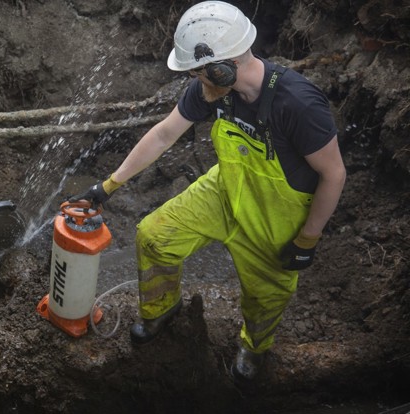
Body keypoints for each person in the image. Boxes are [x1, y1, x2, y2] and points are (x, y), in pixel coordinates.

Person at [73, 1, 346, 383]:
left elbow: (333, 174)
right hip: (225, 189)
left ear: (222, 66)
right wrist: (108, 185)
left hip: (275, 217)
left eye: (200, 70)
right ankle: (162, 310)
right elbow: (165, 133)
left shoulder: (298, 103)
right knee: (154, 236)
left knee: (265, 297)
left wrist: (308, 238)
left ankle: (254, 349)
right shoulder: (213, 90)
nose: (197, 78)